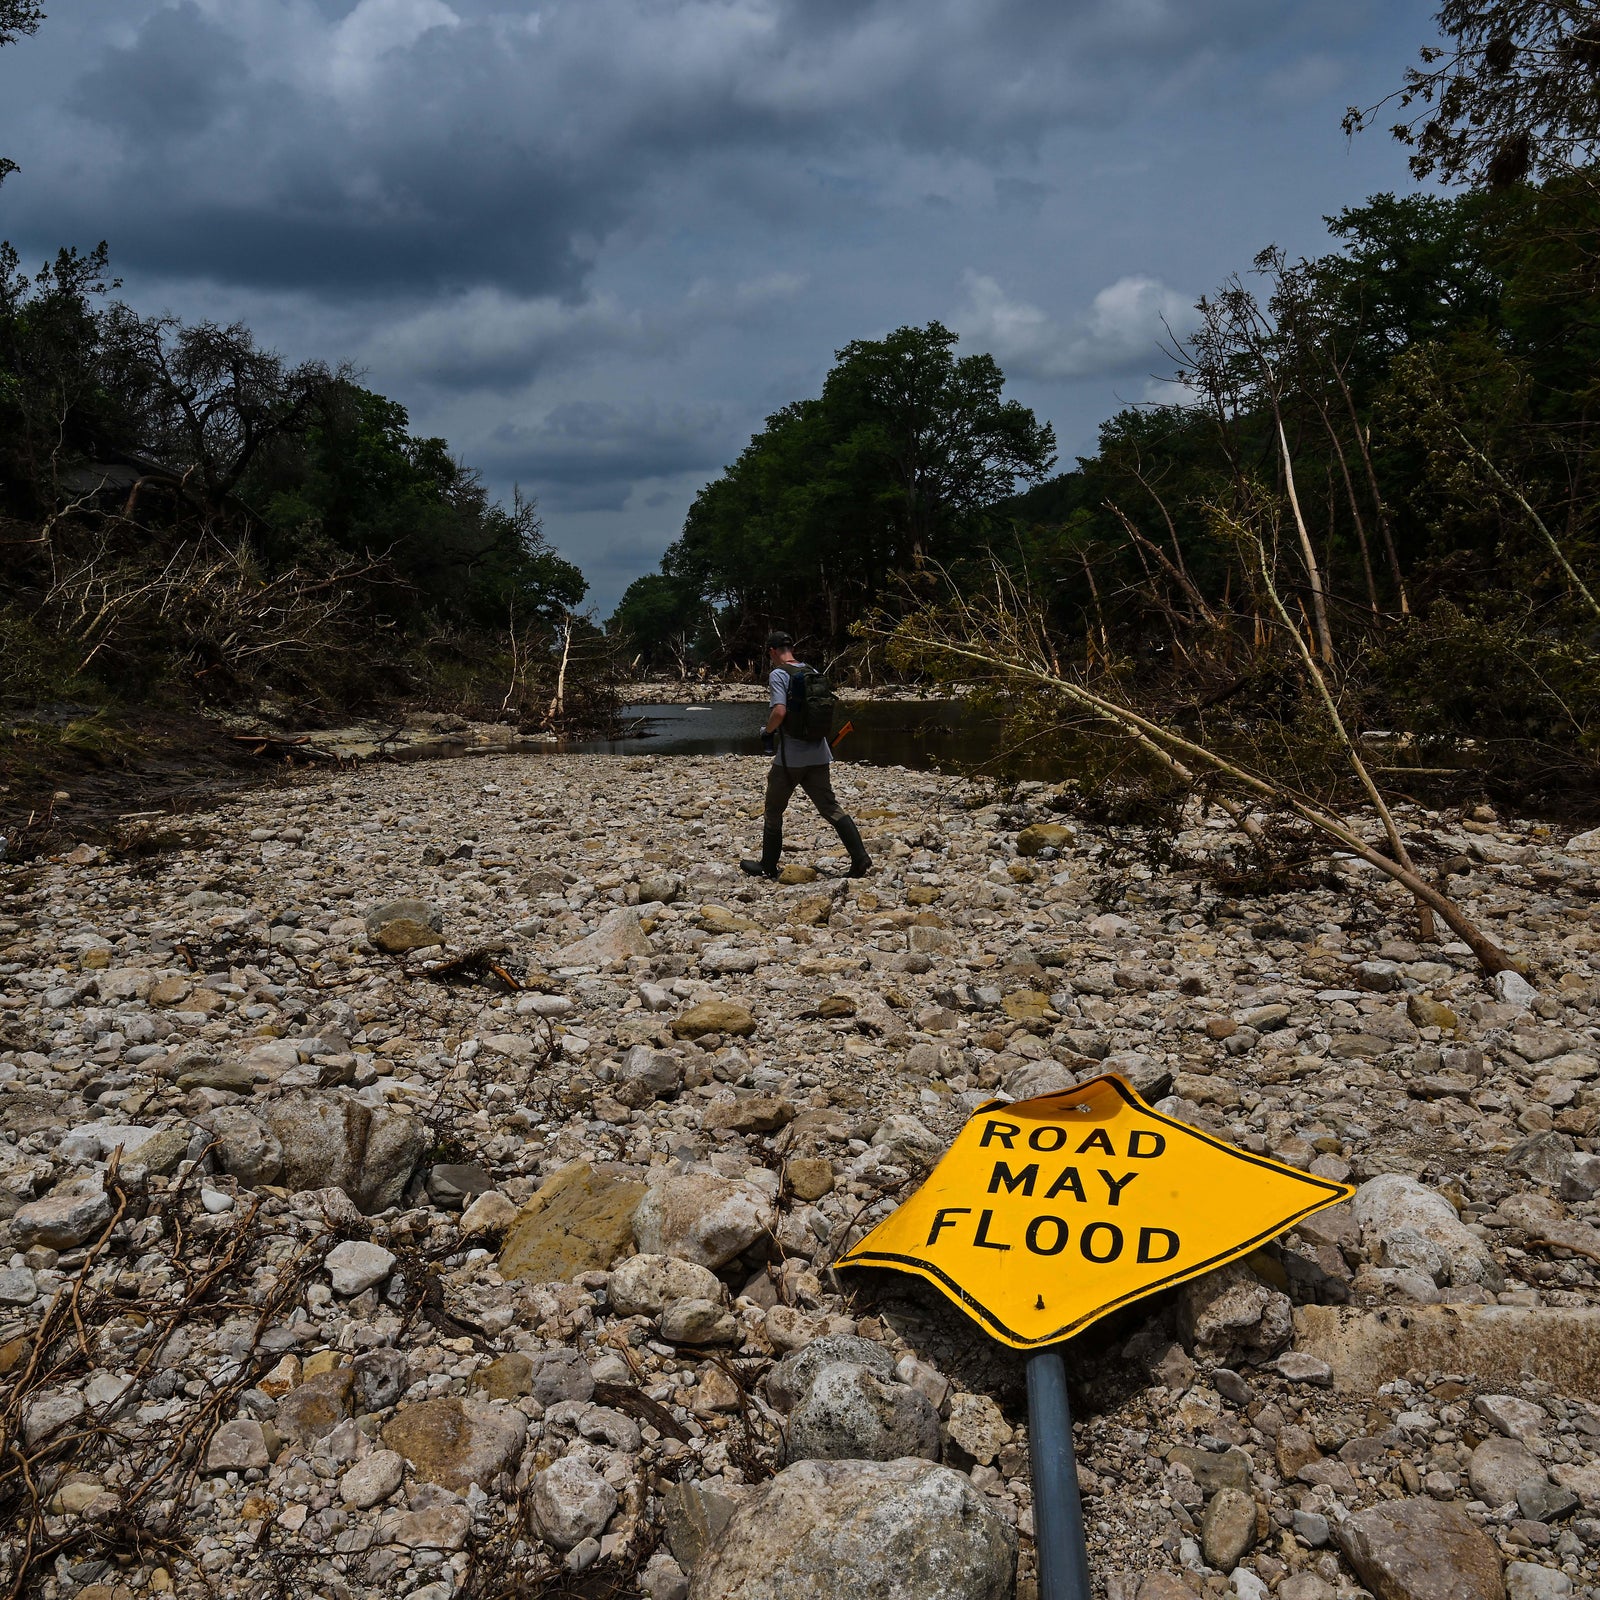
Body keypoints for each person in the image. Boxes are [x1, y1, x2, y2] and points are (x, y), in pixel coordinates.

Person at [741, 631, 872, 880]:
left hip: (791, 759)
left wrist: (766, 731)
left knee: (773, 809)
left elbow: (779, 712)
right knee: (830, 807)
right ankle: (860, 858)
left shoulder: (778, 674)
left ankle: (768, 866)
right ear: (790, 648)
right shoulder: (811, 670)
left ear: (771, 651)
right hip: (820, 753)